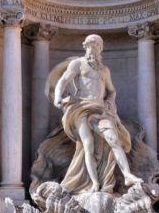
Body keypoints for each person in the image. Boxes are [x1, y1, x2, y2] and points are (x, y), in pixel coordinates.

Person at [50, 34, 142, 194]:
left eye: (97, 46)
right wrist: (58, 96)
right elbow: (63, 80)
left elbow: (111, 90)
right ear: (85, 47)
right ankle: (93, 184)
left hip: (100, 110)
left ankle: (127, 175)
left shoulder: (104, 70)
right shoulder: (77, 63)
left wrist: (110, 102)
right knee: (88, 145)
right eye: (90, 45)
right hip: (81, 108)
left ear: (101, 49)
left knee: (114, 139)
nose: (93, 48)